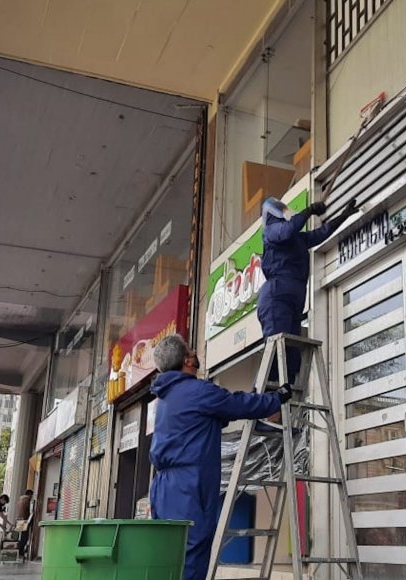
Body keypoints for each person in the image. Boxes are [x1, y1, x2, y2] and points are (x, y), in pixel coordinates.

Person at [148, 334, 289, 580]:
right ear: (186, 360)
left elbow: (217, 414)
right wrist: (276, 398)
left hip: (165, 487)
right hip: (189, 487)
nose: (194, 354)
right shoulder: (196, 391)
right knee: (191, 555)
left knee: (170, 556)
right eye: (191, 350)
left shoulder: (166, 397)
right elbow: (235, 404)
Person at [257, 197, 358, 385]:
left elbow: (320, 234)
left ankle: (280, 406)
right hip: (276, 298)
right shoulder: (271, 232)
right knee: (275, 357)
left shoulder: (296, 238)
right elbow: (287, 231)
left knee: (292, 359)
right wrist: (309, 210)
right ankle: (257, 399)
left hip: (293, 300)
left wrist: (342, 217)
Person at [15, 490, 34, 560]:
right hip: (24, 520)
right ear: (29, 494)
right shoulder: (27, 500)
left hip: (19, 520)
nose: (32, 497)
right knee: (24, 537)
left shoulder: (20, 500)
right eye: (31, 495)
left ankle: (17, 550)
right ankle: (20, 551)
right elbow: (29, 511)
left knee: (19, 536)